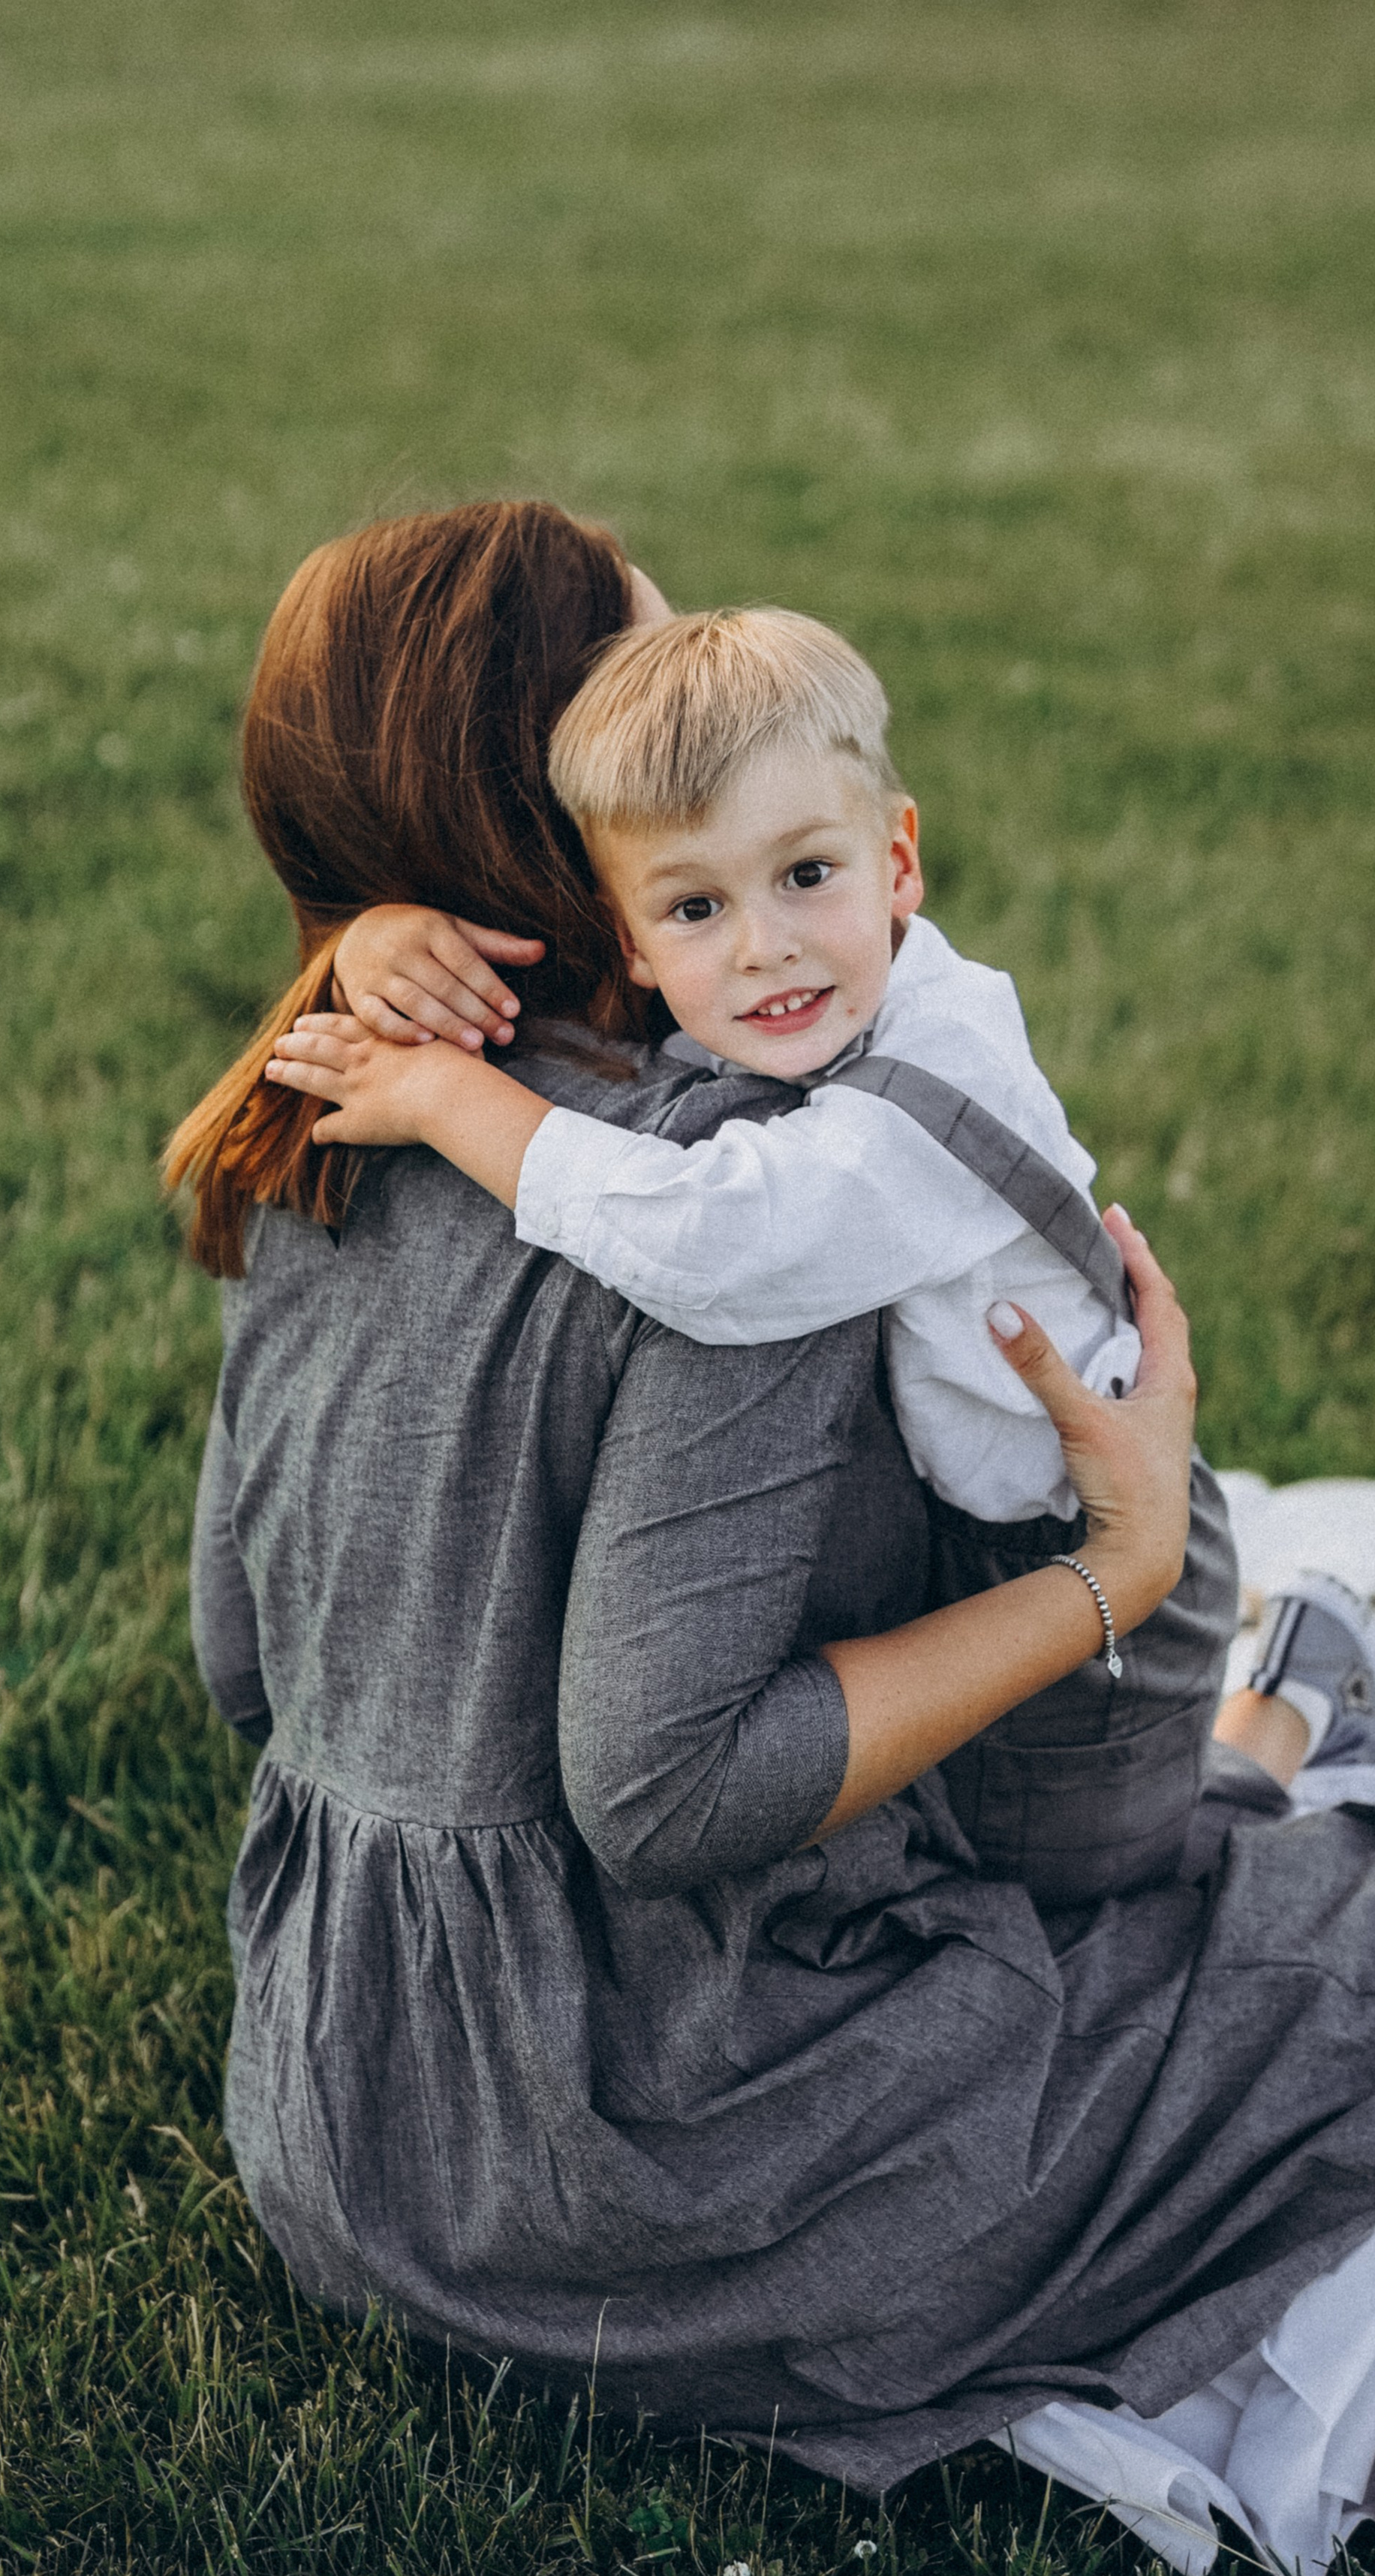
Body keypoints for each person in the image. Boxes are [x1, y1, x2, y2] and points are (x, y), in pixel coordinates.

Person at [167, 499, 1375, 2576]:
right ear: (582, 821)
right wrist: (1112, 1564)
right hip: (644, 2163)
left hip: (338, 2111)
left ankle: (1269, 1742)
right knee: (1317, 1963)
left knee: (1207, 1831)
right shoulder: (737, 1198)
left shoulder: (319, 1103)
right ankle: (1272, 1747)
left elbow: (243, 1669)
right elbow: (669, 1790)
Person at [263, 604, 1374, 1906]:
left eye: (806, 877)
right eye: (694, 907)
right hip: (979, 1532)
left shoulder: (927, 1084)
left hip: (1078, 1546)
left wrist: (459, 1104)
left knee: (1099, 1884)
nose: (762, 946)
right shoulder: (797, 1001)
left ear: (899, 860)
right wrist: (387, 933)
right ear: (626, 940)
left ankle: (1294, 1708)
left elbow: (716, 1241)